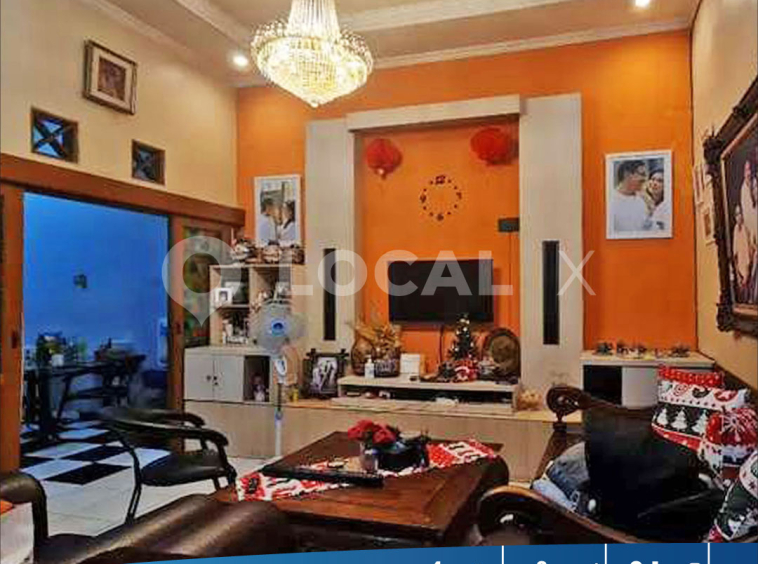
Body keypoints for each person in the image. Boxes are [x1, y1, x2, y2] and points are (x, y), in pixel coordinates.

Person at [611, 160, 651, 233]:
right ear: (627, 175)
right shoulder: (610, 201)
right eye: (642, 174)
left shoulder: (643, 200)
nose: (645, 179)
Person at [732, 204, 752, 303]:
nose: (738, 216)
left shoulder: (745, 229)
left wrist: (746, 274)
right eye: (736, 214)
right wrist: (738, 275)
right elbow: (735, 255)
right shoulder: (735, 230)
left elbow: (748, 253)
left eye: (740, 213)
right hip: (740, 271)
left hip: (747, 269)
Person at [645, 168, 670, 232]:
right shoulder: (642, 202)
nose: (654, 183)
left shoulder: (666, 206)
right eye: (652, 179)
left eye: (660, 181)